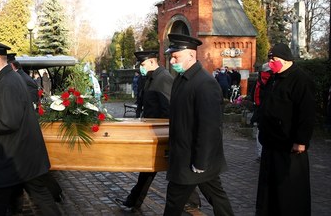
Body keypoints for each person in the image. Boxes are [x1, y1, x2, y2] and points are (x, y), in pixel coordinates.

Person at [0, 38, 61, 216]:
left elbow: (9, 121)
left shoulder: (8, 82)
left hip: (16, 153)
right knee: (40, 197)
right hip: (23, 154)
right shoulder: (8, 78)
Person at [115, 50, 201, 212]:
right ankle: (133, 201)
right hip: (153, 131)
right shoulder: (151, 78)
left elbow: (170, 108)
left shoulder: (163, 79)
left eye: (142, 64)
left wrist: (166, 132)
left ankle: (192, 201)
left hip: (163, 133)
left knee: (178, 170)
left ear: (152, 62)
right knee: (150, 169)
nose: (140, 67)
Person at [163, 33, 234, 216]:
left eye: (175, 56)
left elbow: (209, 127)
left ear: (191, 55)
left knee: (174, 200)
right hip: (186, 154)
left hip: (194, 158)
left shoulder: (205, 83)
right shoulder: (181, 79)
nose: (172, 61)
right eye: (171, 56)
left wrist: (201, 161)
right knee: (216, 196)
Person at [255, 43, 315, 216]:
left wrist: (301, 141)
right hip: (270, 143)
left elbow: (306, 112)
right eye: (270, 58)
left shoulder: (301, 79)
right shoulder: (274, 77)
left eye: (275, 58)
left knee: (288, 190)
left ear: (286, 59)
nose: (271, 62)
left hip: (289, 146)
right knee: (269, 189)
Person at [250, 63, 273, 161]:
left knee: (259, 132)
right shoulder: (275, 80)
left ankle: (260, 154)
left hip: (259, 109)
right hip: (271, 111)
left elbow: (252, 95)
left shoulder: (258, 81)